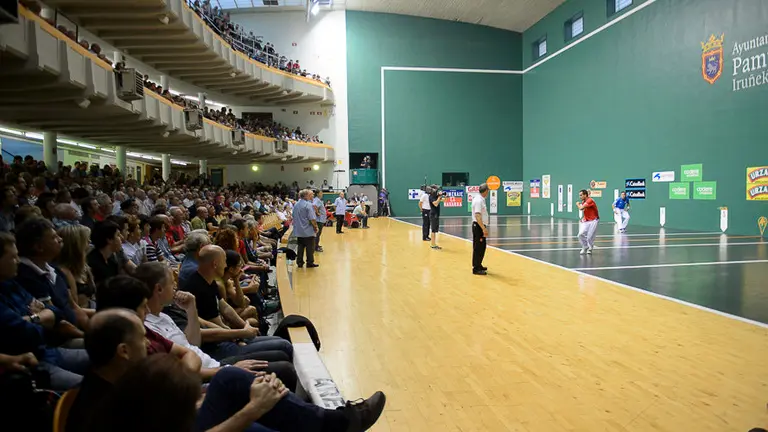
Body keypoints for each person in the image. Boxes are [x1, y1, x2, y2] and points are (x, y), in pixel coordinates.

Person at [292, 189, 319, 268]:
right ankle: (310, 262)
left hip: (299, 230)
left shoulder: (296, 204)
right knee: (310, 248)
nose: (312, 196)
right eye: (311, 194)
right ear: (306, 195)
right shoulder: (308, 205)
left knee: (300, 247)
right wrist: (316, 227)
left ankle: (299, 262)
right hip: (308, 231)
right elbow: (312, 219)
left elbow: (293, 216)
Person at [471, 184, 490, 275]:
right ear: (485, 191)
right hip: (478, 226)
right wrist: (483, 228)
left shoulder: (481, 199)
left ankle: (479, 264)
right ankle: (476, 268)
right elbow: (477, 215)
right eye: (488, 190)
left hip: (480, 226)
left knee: (482, 247)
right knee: (478, 247)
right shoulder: (478, 200)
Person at [577, 189, 600, 255]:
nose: (580, 197)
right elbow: (584, 209)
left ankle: (590, 248)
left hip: (594, 220)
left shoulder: (590, 200)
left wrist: (577, 204)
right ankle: (585, 246)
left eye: (581, 195)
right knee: (580, 234)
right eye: (579, 195)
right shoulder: (583, 202)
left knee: (590, 237)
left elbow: (581, 208)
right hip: (586, 221)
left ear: (585, 195)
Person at [428, 185, 445, 250]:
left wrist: (445, 196)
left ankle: (434, 244)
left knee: (434, 230)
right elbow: (435, 204)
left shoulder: (436, 196)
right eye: (436, 189)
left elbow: (444, 200)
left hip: (436, 214)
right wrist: (439, 197)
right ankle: (433, 245)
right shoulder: (431, 196)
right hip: (433, 215)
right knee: (433, 230)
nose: (437, 190)